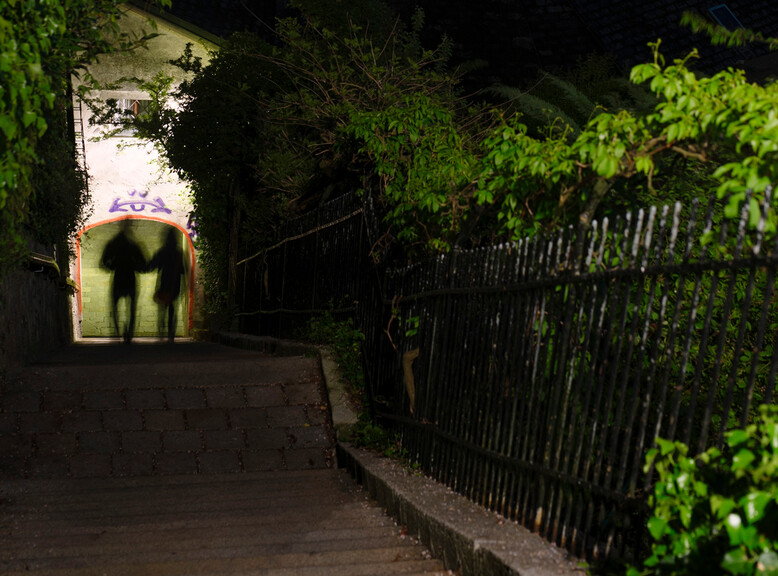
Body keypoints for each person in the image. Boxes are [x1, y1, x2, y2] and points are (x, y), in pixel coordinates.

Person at [101, 219, 146, 344]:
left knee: (115, 307)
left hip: (118, 278)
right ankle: (128, 333)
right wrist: (136, 267)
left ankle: (117, 333)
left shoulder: (114, 244)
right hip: (130, 278)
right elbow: (143, 263)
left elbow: (104, 261)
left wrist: (113, 266)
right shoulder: (133, 245)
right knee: (131, 309)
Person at [149, 227, 186, 341]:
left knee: (163, 308)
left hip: (164, 282)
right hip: (175, 283)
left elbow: (153, 264)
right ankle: (171, 333)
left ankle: (161, 332)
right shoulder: (178, 252)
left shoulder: (163, 251)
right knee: (172, 308)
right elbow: (182, 270)